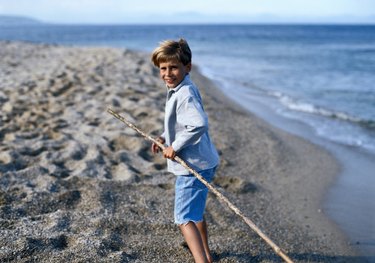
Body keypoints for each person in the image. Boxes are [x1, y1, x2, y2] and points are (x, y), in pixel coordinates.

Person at [150, 38, 220, 263]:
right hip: (204, 161)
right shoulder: (180, 87)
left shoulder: (185, 93)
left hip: (193, 165)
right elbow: (180, 122)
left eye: (173, 67)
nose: (167, 73)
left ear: (187, 67)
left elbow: (198, 124)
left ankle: (201, 261)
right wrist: (164, 136)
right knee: (195, 214)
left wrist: (175, 146)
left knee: (183, 218)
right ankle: (206, 256)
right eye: (163, 68)